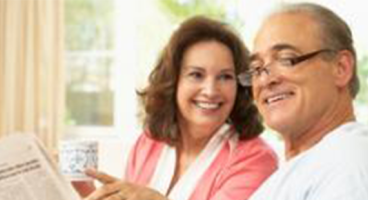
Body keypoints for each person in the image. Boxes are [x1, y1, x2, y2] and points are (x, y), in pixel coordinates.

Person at [76, 16, 278, 200]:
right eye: (196, 75)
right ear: (174, 81)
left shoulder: (256, 159)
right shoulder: (148, 142)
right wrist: (88, 192)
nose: (210, 90)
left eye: (225, 77)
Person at [237, 3, 368, 200]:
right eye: (257, 67)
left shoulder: (351, 162)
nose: (265, 79)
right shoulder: (312, 164)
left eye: (287, 59)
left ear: (341, 68)